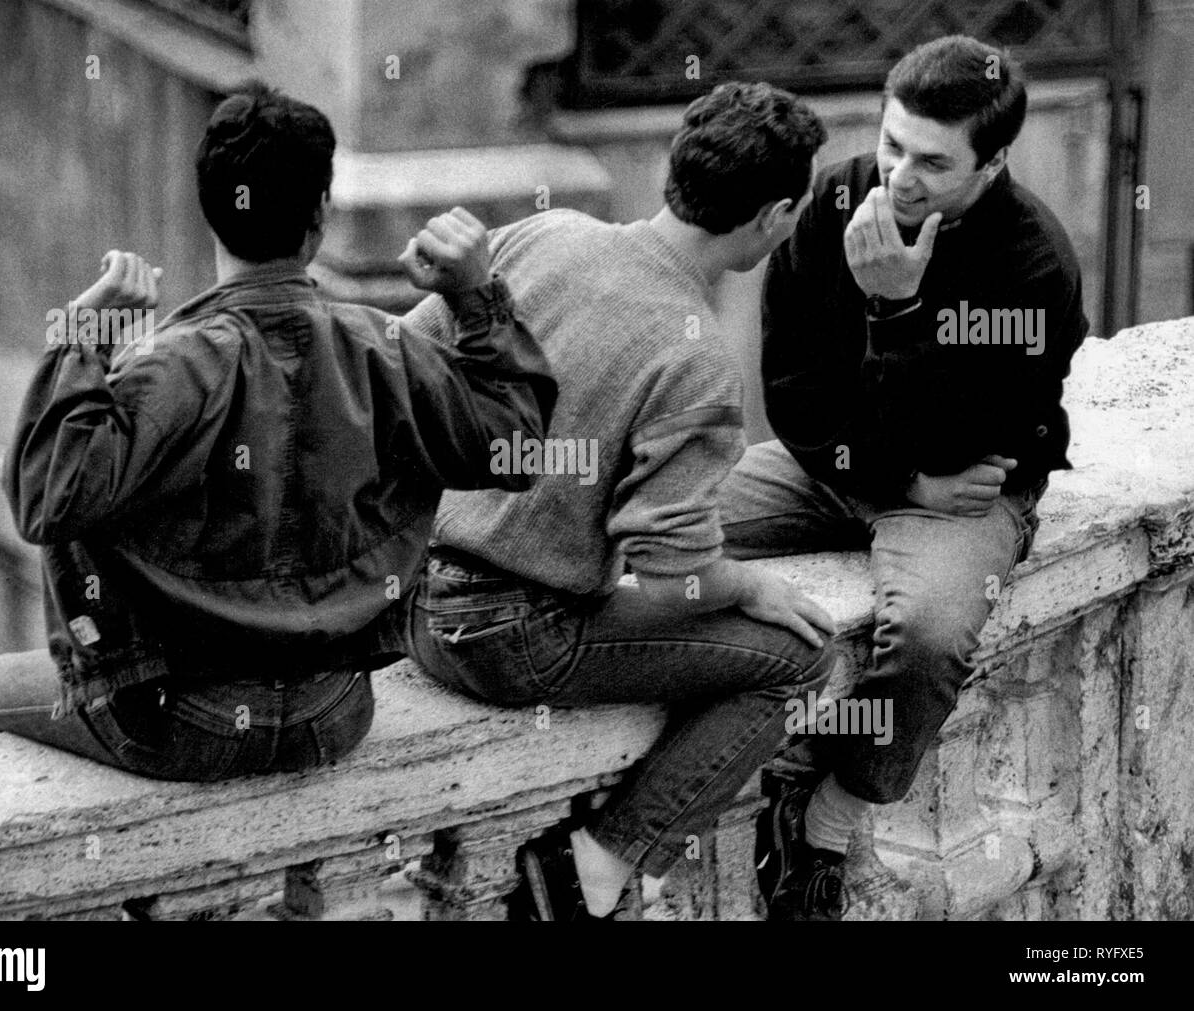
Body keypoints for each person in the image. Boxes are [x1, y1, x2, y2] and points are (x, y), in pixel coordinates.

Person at [0, 82, 557, 781]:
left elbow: (47, 496)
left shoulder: (170, 367)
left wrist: (83, 336)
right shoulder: (384, 348)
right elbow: (518, 444)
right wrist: (474, 294)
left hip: (180, 724)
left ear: (209, 209)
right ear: (320, 214)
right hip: (334, 713)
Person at [401, 81, 837, 920]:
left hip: (416, 609)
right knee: (804, 662)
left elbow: (405, 374)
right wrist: (750, 585)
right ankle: (595, 867)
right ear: (776, 216)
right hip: (511, 644)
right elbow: (676, 581)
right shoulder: (697, 355)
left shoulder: (541, 233)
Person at [720, 35, 1091, 919]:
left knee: (926, 634)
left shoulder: (1035, 265)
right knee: (652, 517)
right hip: (845, 469)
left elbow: (974, 437)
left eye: (932, 160)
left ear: (994, 160)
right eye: (892, 144)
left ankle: (828, 819)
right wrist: (898, 478)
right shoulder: (836, 199)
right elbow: (792, 398)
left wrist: (897, 308)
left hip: (967, 488)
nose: (899, 177)